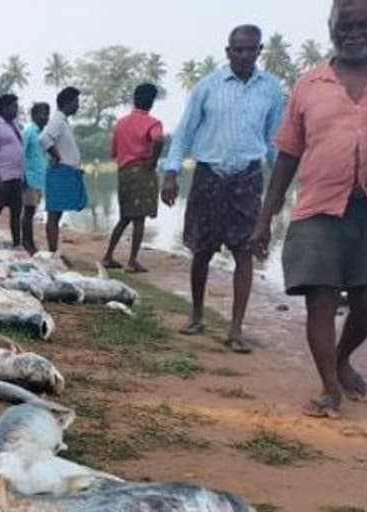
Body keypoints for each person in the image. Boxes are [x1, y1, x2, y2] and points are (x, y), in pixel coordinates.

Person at [249, 0, 367, 418]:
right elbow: (288, 154)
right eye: (344, 26)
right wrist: (264, 218)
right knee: (320, 299)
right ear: (330, 25)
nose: (353, 34)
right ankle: (329, 388)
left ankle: (341, 357)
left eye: (363, 24)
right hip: (318, 208)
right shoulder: (309, 83)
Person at [162, 25, 285, 353]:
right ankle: (197, 314)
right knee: (201, 250)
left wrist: (279, 188)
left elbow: (275, 141)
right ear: (228, 51)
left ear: (259, 51)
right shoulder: (207, 86)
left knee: (245, 251)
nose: (244, 55)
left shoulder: (271, 90)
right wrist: (171, 173)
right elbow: (184, 132)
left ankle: (235, 329)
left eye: (250, 49)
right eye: (237, 49)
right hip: (208, 175)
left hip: (248, 178)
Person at [106, 83, 164, 272]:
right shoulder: (152, 123)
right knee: (139, 219)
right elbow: (158, 139)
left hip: (124, 172)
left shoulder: (121, 123)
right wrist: (153, 160)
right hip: (141, 171)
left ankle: (108, 256)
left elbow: (113, 152)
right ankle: (132, 261)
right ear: (151, 102)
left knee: (124, 217)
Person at [40, 87, 86, 255]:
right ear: (68, 103)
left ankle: (54, 250)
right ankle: (53, 251)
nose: (78, 106)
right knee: (54, 213)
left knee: (57, 213)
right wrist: (56, 156)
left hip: (66, 171)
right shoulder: (57, 120)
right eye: (76, 102)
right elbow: (44, 139)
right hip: (60, 172)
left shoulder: (63, 121)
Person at [0, 93, 26, 246]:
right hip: (3, 178)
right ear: (3, 108)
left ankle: (17, 243)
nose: (16, 110)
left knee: (16, 213)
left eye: (16, 106)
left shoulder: (14, 126)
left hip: (16, 177)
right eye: (13, 106)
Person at [20, 102, 51, 254]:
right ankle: (27, 243)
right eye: (43, 114)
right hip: (30, 179)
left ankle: (29, 242)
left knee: (32, 211)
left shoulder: (43, 133)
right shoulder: (29, 132)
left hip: (39, 179)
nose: (46, 117)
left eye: (47, 114)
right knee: (28, 211)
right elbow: (21, 155)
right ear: (34, 115)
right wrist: (23, 178)